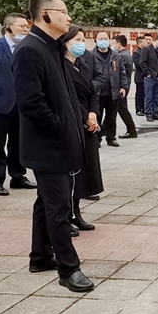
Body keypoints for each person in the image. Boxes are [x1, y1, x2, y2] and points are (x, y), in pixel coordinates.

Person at [13, 0, 94, 292]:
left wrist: (79, 118)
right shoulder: (30, 50)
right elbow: (31, 103)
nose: (68, 17)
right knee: (59, 208)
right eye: (63, 12)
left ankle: (40, 257)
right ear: (45, 15)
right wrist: (60, 128)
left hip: (62, 141)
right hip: (47, 145)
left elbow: (65, 96)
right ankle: (69, 269)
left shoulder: (54, 47)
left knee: (45, 202)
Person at [0, 12, 38, 196]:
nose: (25, 29)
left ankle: (18, 176)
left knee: (18, 142)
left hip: (21, 105)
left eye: (27, 26)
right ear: (9, 28)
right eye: (21, 26)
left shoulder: (26, 48)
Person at [60, 25, 102, 233]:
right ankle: (65, 216)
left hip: (89, 122)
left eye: (82, 39)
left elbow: (93, 90)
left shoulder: (83, 64)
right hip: (74, 122)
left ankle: (77, 212)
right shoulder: (61, 67)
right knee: (71, 172)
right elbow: (69, 98)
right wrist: (86, 116)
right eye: (76, 39)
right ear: (65, 42)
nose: (80, 43)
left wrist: (94, 113)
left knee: (84, 171)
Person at [92, 31, 128, 147]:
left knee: (111, 117)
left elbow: (122, 72)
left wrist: (123, 87)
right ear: (96, 41)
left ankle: (111, 137)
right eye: (100, 39)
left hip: (113, 92)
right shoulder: (90, 55)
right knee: (97, 116)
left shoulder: (116, 56)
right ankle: (96, 139)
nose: (103, 41)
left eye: (105, 38)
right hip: (97, 93)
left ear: (109, 41)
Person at [112, 35, 138, 139]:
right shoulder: (125, 54)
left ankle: (132, 130)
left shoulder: (122, 56)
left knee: (122, 109)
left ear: (118, 44)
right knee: (119, 109)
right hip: (124, 85)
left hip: (121, 86)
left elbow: (119, 73)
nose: (113, 46)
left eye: (114, 43)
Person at [139, 34, 158, 122]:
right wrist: (148, 73)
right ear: (156, 40)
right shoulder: (147, 49)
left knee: (157, 96)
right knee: (149, 96)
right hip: (150, 77)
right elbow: (142, 62)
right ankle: (148, 113)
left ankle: (156, 112)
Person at [133, 34, 146, 116]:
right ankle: (139, 109)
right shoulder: (136, 52)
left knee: (145, 93)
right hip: (139, 77)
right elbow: (138, 64)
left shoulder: (144, 51)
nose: (146, 43)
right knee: (140, 93)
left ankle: (144, 108)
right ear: (140, 43)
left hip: (145, 76)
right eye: (144, 41)